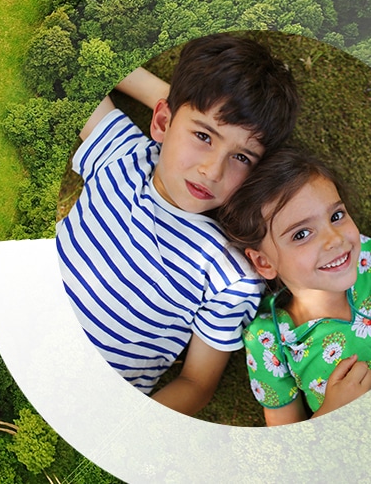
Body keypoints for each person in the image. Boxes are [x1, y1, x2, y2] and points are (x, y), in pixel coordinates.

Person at [56, 32, 300, 415]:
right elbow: (75, 63)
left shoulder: (230, 274)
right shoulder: (125, 154)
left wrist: (124, 429)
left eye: (242, 158)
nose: (211, 170)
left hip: (82, 400)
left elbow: (196, 383)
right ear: (162, 121)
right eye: (203, 136)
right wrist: (177, 104)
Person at [218, 148, 371, 425]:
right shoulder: (268, 340)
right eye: (302, 234)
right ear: (264, 262)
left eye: (336, 216)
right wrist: (331, 414)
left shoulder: (367, 256)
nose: (335, 239)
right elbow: (287, 436)